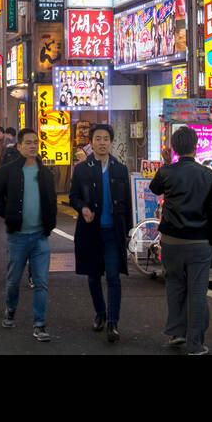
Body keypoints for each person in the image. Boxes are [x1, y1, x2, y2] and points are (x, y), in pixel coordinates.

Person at [150, 126, 212, 355]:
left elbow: (154, 189)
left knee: (174, 285)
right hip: (199, 241)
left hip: (171, 240)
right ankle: (195, 344)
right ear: (195, 146)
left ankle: (176, 332)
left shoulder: (166, 172)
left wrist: (165, 163)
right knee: (197, 292)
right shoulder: (208, 175)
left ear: (174, 147)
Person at [0, 127, 56, 342]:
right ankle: (10, 308)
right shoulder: (9, 170)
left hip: (40, 237)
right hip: (18, 236)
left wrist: (49, 224)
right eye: (28, 142)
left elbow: (51, 200)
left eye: (35, 142)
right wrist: (7, 215)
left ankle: (40, 324)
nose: (32, 146)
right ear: (19, 146)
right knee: (14, 280)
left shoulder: (45, 172)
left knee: (42, 282)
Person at [69, 124, 134, 343]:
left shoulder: (120, 169)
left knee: (114, 277)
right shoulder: (81, 169)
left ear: (111, 141)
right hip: (90, 231)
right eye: (98, 138)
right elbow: (73, 196)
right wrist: (83, 208)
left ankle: (113, 322)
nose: (102, 142)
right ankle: (100, 313)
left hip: (113, 232)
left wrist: (129, 231)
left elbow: (127, 202)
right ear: (91, 142)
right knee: (93, 276)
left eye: (106, 138)